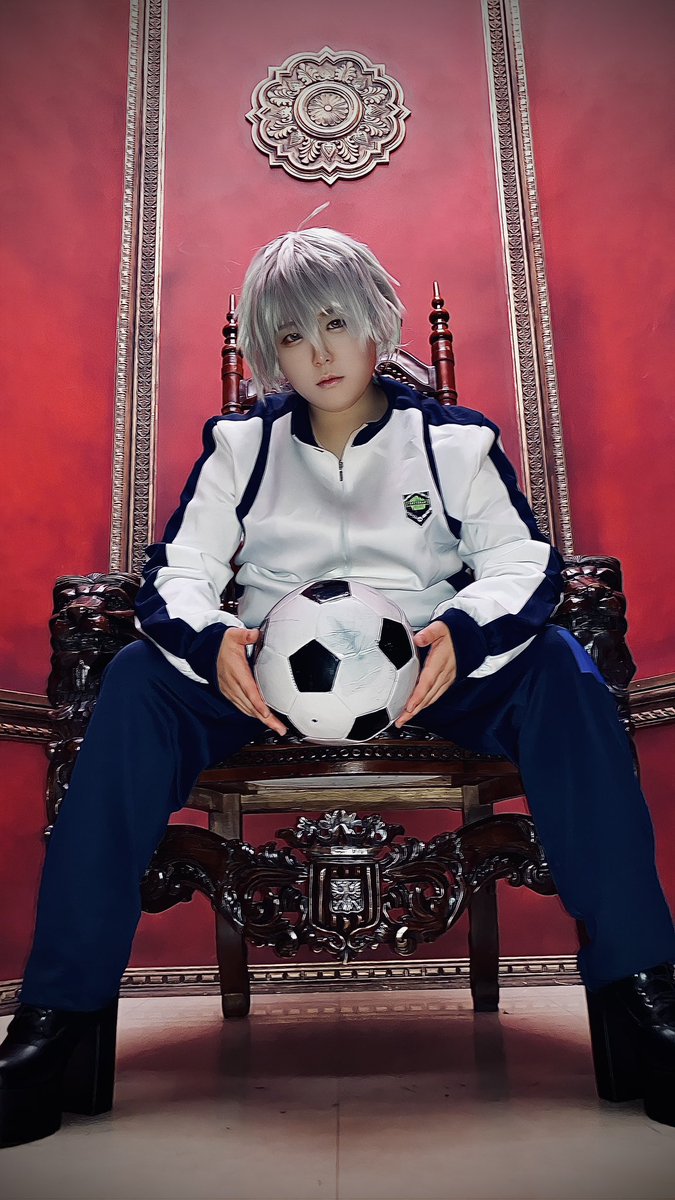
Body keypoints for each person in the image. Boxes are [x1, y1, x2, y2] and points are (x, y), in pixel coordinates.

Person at [2, 228, 675, 1147]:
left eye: (334, 323)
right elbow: (179, 571)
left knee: (563, 667)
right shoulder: (240, 446)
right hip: (266, 679)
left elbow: (521, 560)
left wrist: (464, 631)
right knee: (132, 681)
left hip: (429, 671)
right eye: (290, 335)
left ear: (374, 326)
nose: (317, 353)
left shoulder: (451, 441)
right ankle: (55, 1022)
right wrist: (212, 642)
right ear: (268, 351)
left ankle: (644, 995)